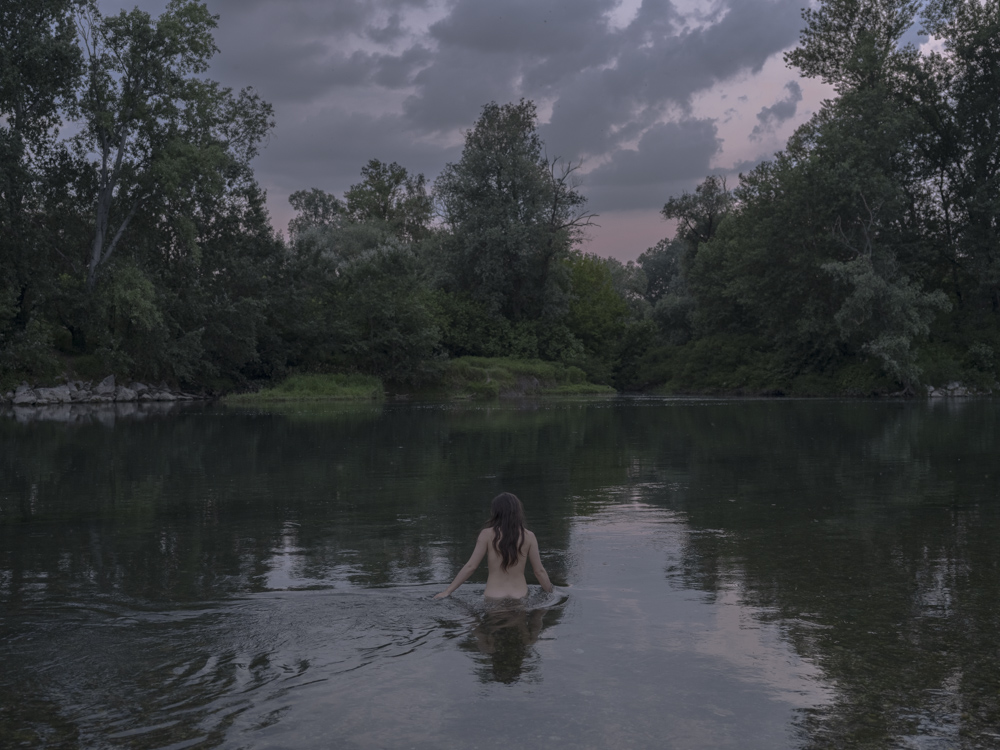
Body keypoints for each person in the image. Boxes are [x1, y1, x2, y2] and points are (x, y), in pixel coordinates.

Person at [434, 492, 554, 600]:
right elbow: (539, 571)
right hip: (520, 596)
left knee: (492, 624)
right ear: (518, 512)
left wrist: (447, 591)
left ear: (495, 512)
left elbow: (471, 566)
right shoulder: (529, 536)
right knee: (521, 625)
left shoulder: (486, 534)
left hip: (493, 597)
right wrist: (551, 592)